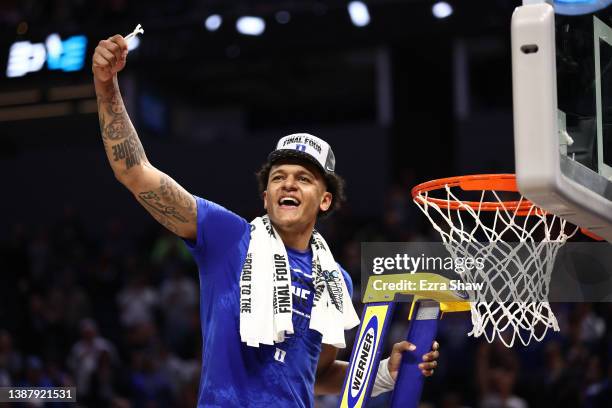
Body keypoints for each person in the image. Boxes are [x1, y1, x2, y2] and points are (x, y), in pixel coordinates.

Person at [92, 34, 440, 407]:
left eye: (303, 178)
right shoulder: (228, 237)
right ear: (266, 197)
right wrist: (107, 84)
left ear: (324, 200)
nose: (288, 182)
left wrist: (386, 370)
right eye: (278, 177)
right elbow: (134, 171)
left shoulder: (334, 278)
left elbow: (316, 376)